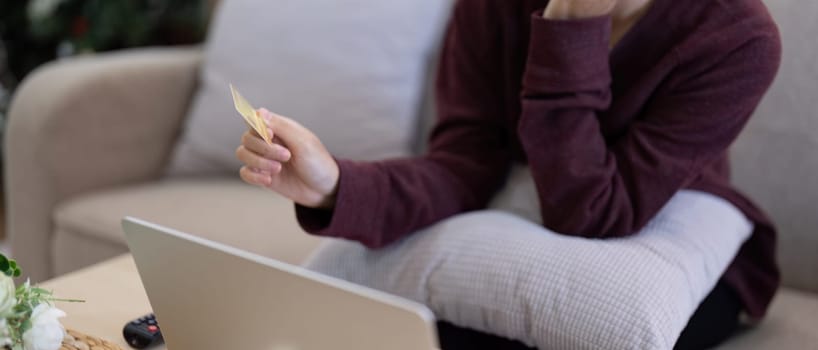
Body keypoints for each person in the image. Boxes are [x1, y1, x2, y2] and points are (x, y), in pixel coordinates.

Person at [235, 0, 781, 348]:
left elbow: (593, 213)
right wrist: (334, 185)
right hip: (526, 196)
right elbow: (465, 163)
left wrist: (571, 25)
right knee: (360, 329)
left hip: (669, 233)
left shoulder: (738, 36)